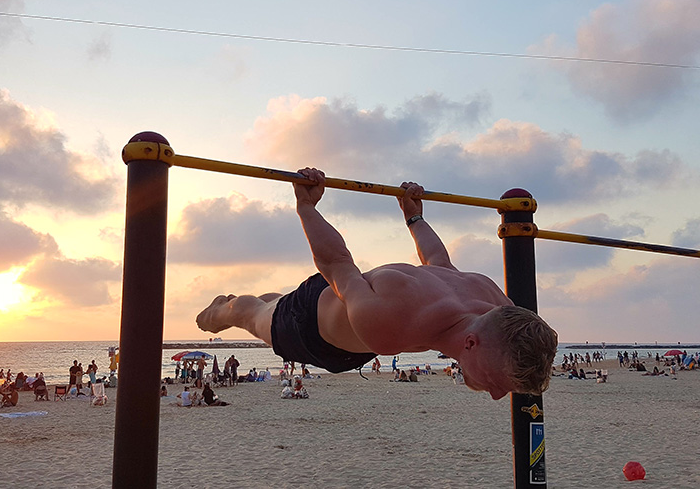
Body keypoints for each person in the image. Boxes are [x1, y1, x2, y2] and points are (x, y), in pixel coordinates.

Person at [196, 170, 558, 400]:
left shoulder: (496, 304)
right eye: (499, 383)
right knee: (252, 312)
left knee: (273, 300)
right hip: (309, 325)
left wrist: (414, 216)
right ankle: (220, 311)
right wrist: (306, 206)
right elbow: (336, 263)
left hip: (355, 321)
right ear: (470, 342)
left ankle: (259, 303)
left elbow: (440, 263)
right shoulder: (391, 322)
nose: (496, 395)